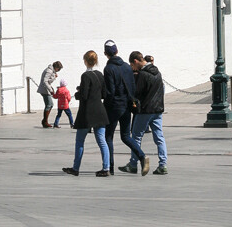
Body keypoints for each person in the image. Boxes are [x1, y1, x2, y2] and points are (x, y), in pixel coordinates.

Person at [62, 50, 110, 177]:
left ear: (85, 61)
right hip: (100, 110)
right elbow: (104, 94)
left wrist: (78, 92)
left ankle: (75, 168)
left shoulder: (85, 76)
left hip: (87, 112)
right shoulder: (100, 74)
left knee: (80, 141)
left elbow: (84, 95)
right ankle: (106, 167)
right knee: (102, 141)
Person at [102, 40, 143, 173]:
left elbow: (110, 91)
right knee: (126, 136)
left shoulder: (109, 69)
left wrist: (105, 106)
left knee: (108, 137)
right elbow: (132, 86)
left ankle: (110, 167)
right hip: (126, 105)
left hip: (114, 107)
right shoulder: (126, 66)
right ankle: (142, 156)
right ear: (117, 51)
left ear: (105, 53)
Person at [122, 51, 166, 175]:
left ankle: (133, 163)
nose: (132, 68)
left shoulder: (143, 74)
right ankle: (163, 165)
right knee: (159, 137)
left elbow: (137, 92)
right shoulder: (157, 72)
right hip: (158, 109)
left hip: (145, 110)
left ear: (135, 61)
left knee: (136, 136)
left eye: (132, 65)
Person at [37, 61, 62, 128]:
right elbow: (45, 81)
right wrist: (50, 90)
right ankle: (45, 121)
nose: (58, 70)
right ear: (56, 67)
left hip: (46, 89)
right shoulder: (49, 71)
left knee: (49, 105)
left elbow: (48, 81)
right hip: (45, 90)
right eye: (58, 69)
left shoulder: (51, 71)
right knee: (49, 104)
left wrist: (54, 77)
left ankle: (45, 121)